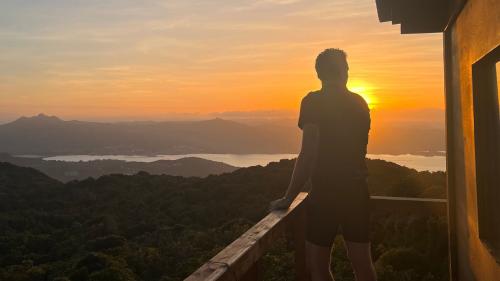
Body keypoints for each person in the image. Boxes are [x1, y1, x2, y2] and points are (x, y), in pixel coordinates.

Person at [269, 48, 377, 281]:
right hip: (356, 191)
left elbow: (308, 153)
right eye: (346, 68)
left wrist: (289, 198)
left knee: (318, 266)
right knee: (363, 265)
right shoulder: (360, 102)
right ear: (343, 71)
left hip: (325, 192)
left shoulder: (313, 102)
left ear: (319, 73)